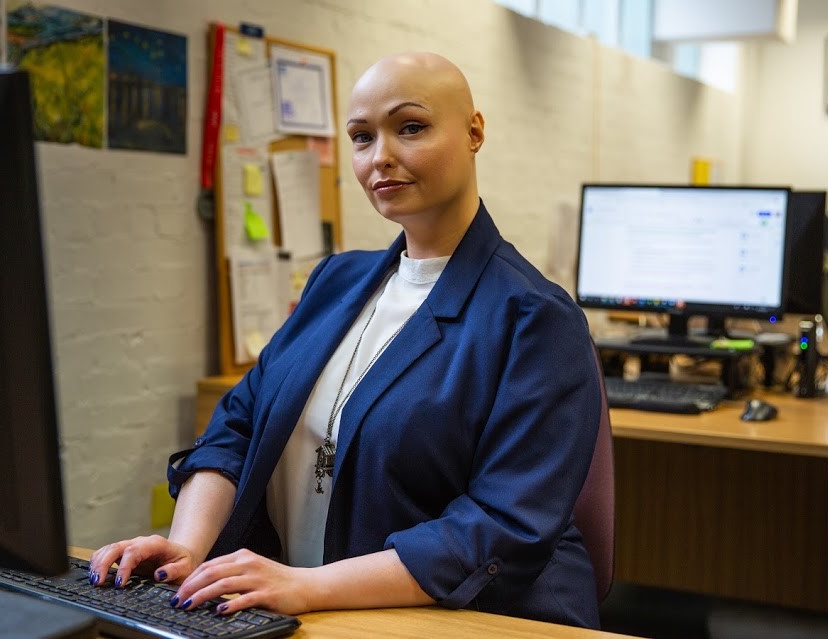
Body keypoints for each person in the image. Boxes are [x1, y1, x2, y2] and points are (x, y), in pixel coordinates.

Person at [88, 52, 602, 628]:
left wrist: (307, 586)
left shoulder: (535, 317)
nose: (380, 157)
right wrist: (186, 548)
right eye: (361, 137)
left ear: (474, 131)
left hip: (464, 619)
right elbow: (238, 424)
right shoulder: (336, 281)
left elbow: (501, 526)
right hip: (308, 606)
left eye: (411, 127)